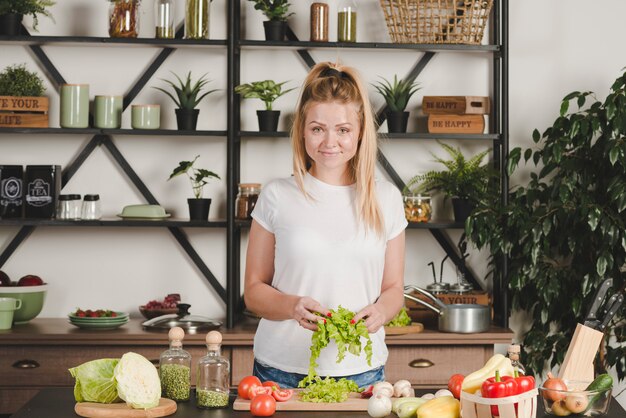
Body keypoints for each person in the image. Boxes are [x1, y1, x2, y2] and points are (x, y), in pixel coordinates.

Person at [243, 61, 407, 389]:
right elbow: (253, 291)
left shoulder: (386, 198)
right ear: (302, 130)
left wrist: (381, 312)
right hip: (279, 373)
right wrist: (291, 306)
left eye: (343, 130)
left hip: (362, 375)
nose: (329, 141)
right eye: (317, 128)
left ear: (360, 134)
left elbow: (394, 290)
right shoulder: (276, 194)